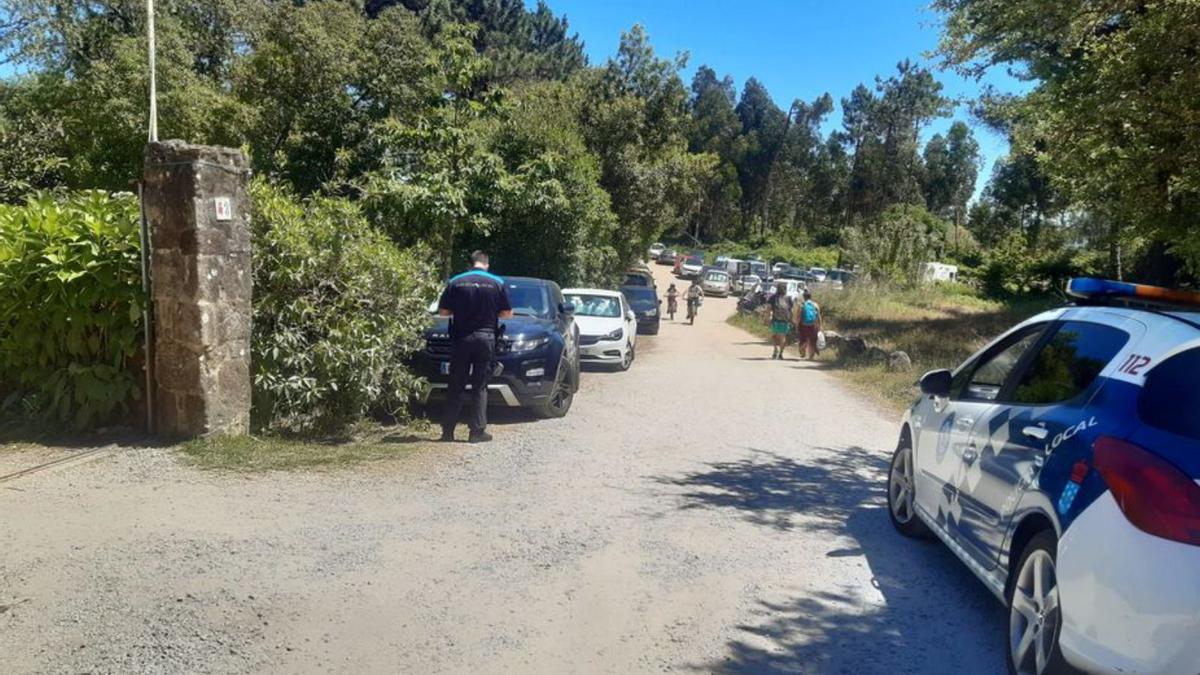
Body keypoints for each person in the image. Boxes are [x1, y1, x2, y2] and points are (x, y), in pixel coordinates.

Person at [437, 251, 512, 443]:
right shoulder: (497, 282)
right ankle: (476, 432)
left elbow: (444, 311)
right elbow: (507, 313)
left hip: (461, 338)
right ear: (486, 264)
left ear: (470, 265)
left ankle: (448, 432)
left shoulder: (456, 281)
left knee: (456, 384)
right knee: (480, 385)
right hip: (486, 338)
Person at [768, 281, 794, 359]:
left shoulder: (773, 298)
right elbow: (791, 310)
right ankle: (781, 353)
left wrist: (767, 318)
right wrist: (791, 319)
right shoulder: (788, 298)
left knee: (774, 336)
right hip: (785, 320)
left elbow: (768, 309)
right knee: (783, 337)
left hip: (775, 320)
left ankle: (775, 349)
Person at [795, 288, 822, 360]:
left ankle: (803, 350)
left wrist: (797, 325)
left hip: (803, 325)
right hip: (813, 325)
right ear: (811, 296)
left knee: (803, 339)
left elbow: (798, 316)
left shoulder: (802, 305)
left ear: (804, 297)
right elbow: (819, 316)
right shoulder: (815, 305)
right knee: (812, 340)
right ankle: (811, 357)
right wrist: (820, 326)